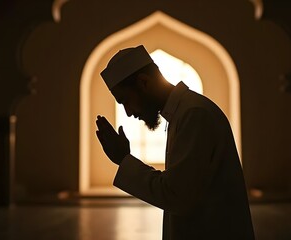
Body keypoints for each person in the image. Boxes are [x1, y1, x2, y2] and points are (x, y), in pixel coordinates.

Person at [96, 45, 255, 240]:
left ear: (143, 82)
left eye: (125, 101)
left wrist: (123, 159)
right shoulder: (183, 114)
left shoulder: (194, 115)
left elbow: (176, 196)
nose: (128, 112)